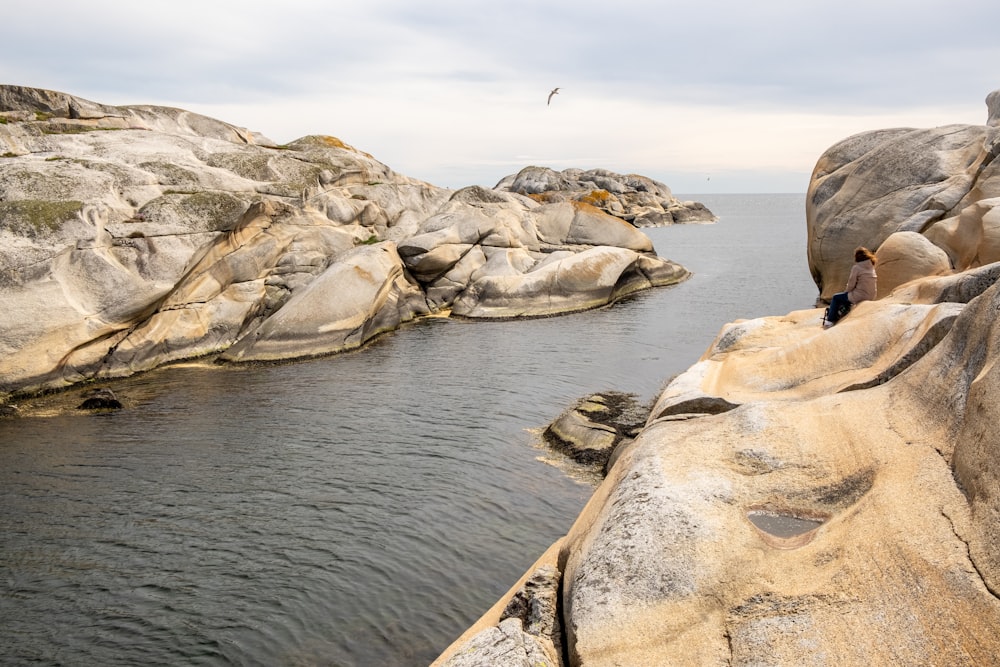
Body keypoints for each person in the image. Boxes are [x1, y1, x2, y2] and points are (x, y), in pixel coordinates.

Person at [824, 247, 877, 327]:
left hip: (861, 295)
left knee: (836, 297)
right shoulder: (871, 266)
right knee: (847, 297)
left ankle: (830, 321)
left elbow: (851, 284)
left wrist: (846, 292)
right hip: (872, 295)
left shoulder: (857, 268)